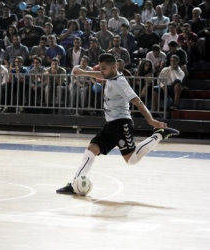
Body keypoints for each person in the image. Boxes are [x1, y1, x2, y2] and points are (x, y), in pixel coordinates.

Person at [56, 53, 179, 195]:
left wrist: (151, 121)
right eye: (100, 68)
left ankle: (158, 135)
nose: (101, 71)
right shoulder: (110, 75)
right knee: (91, 150)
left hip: (121, 123)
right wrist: (84, 72)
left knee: (132, 160)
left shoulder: (120, 82)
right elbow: (102, 75)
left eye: (104, 68)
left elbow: (137, 101)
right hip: (110, 124)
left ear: (114, 67)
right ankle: (74, 184)